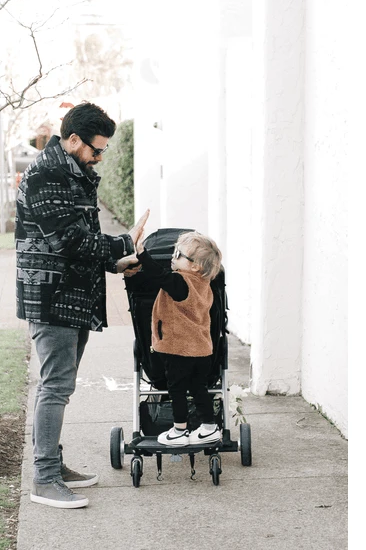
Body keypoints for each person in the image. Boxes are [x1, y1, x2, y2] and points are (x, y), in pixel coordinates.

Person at [15, 101, 150, 509]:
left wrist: (116, 262)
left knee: (60, 386)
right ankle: (44, 479)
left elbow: (83, 238)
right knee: (55, 387)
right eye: (96, 149)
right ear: (73, 139)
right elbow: (67, 241)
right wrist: (123, 242)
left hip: (73, 296)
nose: (100, 157)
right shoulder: (47, 175)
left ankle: (52, 466)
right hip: (52, 296)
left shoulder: (72, 172)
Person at [129, 230, 223, 447]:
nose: (173, 256)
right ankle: (209, 428)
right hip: (202, 351)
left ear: (195, 266)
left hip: (179, 350)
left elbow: (159, 275)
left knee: (177, 390)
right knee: (199, 389)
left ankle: (179, 430)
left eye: (179, 254)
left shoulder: (182, 283)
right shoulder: (204, 285)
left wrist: (142, 254)